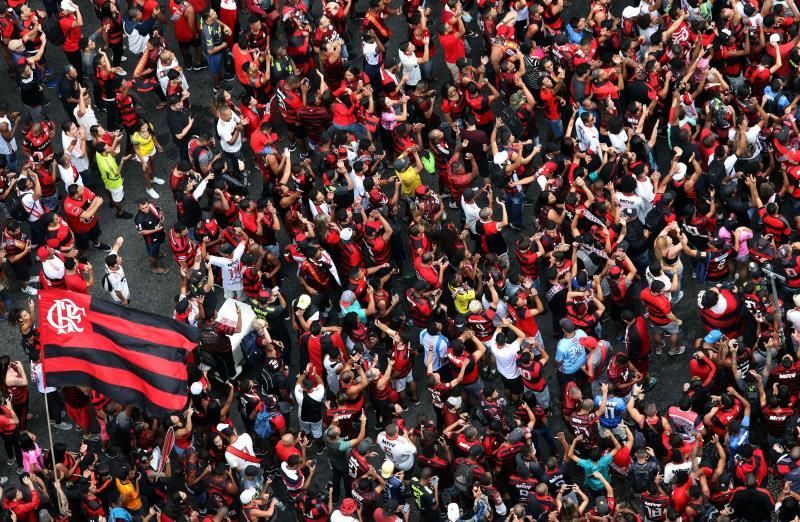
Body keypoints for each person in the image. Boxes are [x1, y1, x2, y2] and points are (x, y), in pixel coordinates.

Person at [103, 237, 129, 305]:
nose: (121, 258)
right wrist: (123, 300)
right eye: (119, 259)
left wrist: (118, 242)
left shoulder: (109, 261)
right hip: (122, 296)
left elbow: (115, 249)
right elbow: (118, 292)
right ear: (115, 265)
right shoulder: (115, 278)